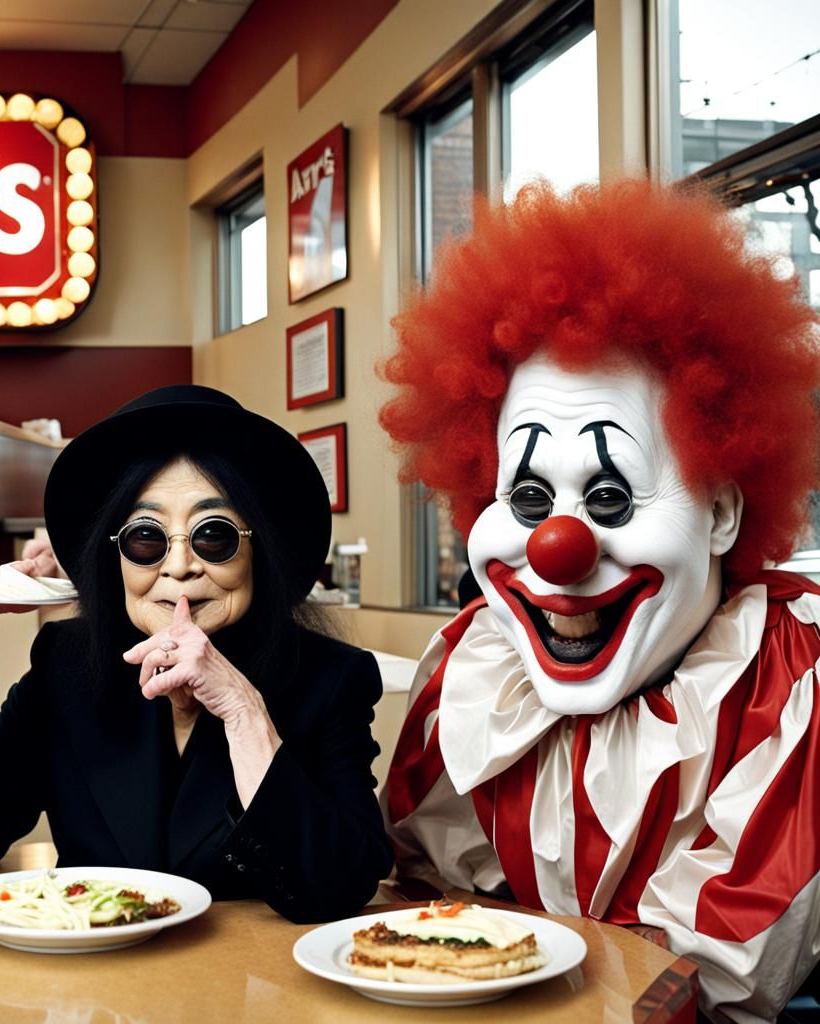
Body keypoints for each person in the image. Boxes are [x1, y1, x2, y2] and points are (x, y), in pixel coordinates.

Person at [377, 179, 820, 1021]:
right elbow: (424, 905)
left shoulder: (788, 683)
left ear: (721, 515)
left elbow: (714, 974)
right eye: (529, 499)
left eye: (612, 497)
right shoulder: (474, 667)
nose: (559, 547)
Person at [0, 385, 393, 923]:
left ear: (258, 551)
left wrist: (243, 712)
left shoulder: (332, 678)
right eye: (147, 538)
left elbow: (342, 887)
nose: (179, 566)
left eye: (213, 535)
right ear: (116, 558)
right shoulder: (66, 663)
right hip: (92, 971)